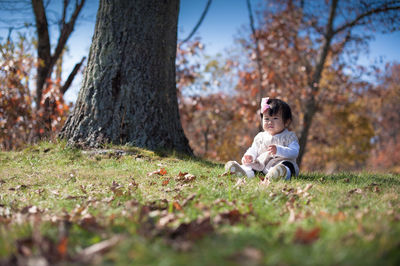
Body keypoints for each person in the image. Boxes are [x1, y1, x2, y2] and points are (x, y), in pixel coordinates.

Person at [224, 97, 299, 180]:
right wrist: (250, 156)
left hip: (280, 163)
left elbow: (294, 152)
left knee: (286, 165)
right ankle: (242, 173)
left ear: (286, 121)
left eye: (275, 118)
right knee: (251, 165)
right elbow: (254, 149)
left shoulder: (289, 136)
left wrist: (279, 150)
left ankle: (279, 174)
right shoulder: (260, 137)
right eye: (266, 118)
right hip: (262, 165)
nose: (270, 122)